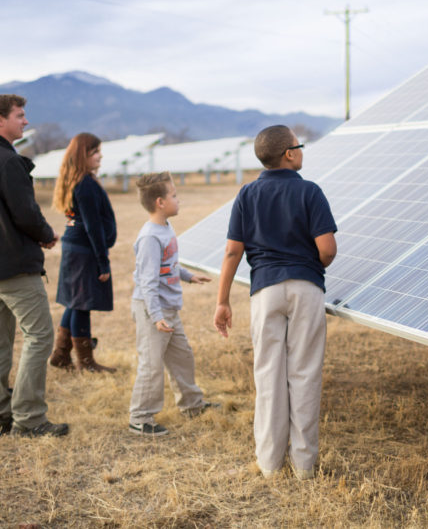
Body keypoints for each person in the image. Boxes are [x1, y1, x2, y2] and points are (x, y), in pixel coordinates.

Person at [213, 125, 337, 480]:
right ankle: (304, 466)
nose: (301, 150)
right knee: (305, 374)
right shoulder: (310, 192)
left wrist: (222, 301)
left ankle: (269, 464)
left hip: (265, 291)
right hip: (306, 288)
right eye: (299, 145)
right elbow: (327, 249)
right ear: (289, 154)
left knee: (268, 375)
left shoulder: (247, 194)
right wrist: (313, 265)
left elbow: (232, 251)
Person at [0, 93, 69, 438]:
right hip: (13, 266)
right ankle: (30, 418)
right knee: (40, 336)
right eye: (20, 115)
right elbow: (25, 213)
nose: (25, 121)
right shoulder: (7, 161)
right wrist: (46, 234)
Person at [128, 172, 217, 436]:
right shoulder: (149, 238)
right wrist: (156, 317)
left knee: (182, 357)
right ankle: (140, 417)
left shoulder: (165, 228)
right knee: (152, 364)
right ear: (160, 202)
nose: (178, 199)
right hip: (152, 311)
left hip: (168, 310)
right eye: (174, 195)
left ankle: (192, 404)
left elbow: (167, 266)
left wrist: (188, 276)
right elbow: (147, 281)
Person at [49, 132, 117, 373]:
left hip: (76, 249)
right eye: (95, 152)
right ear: (83, 156)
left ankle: (60, 355)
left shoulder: (79, 179)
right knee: (81, 304)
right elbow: (93, 226)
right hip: (84, 251)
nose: (100, 156)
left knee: (75, 302)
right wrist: (103, 262)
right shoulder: (85, 184)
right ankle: (86, 363)